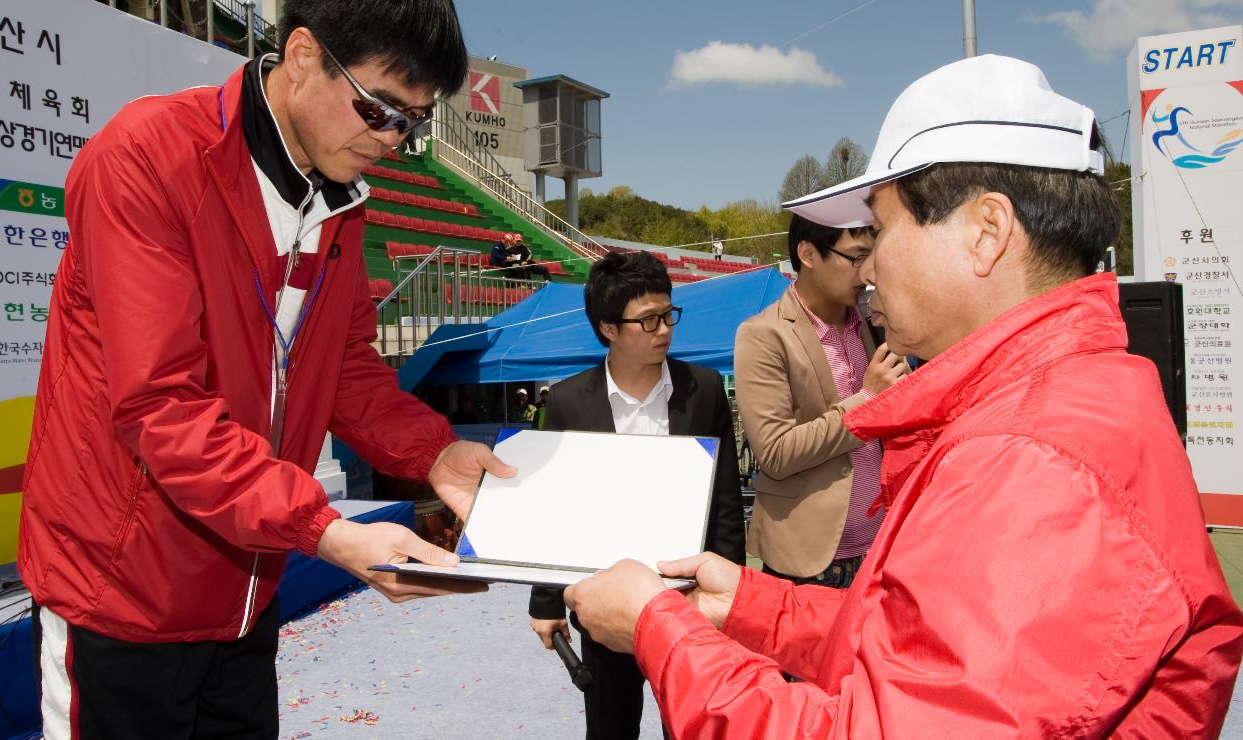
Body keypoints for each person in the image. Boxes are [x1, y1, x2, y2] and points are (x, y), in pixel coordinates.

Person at [565, 54, 1243, 738]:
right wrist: (751, 607)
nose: (872, 264)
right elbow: (925, 646)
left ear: (987, 231)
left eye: (882, 230)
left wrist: (661, 631)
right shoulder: (1051, 407)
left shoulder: (1034, 457)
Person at [19, 0, 515, 739]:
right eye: (379, 109)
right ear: (302, 54)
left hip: (245, 594)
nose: (391, 141)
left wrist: (432, 453)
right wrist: (323, 529)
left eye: (413, 124)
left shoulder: (343, 201)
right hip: (121, 597)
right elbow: (161, 408)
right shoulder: (146, 159)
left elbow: (346, 370)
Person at [530, 251, 745, 739]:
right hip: (605, 601)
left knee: (691, 727)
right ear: (608, 328)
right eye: (648, 320)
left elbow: (725, 501)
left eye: (668, 314)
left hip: (687, 598)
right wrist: (545, 602)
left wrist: (728, 591)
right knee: (610, 728)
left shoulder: (705, 388)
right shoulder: (566, 401)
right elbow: (551, 508)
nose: (665, 329)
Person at [734, 215, 907, 592]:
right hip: (809, 560)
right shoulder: (764, 335)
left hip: (882, 546)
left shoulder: (874, 323)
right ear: (808, 254)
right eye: (856, 258)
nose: (867, 273)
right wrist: (867, 400)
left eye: (872, 257)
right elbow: (776, 453)